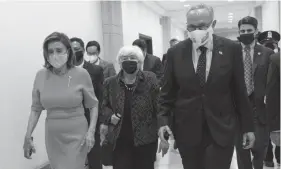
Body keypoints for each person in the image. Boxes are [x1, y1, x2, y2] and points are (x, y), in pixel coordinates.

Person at [157, 4, 255, 169]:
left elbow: (240, 92)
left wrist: (248, 127)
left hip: (221, 128)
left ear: (213, 24)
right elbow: (166, 93)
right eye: (192, 27)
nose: (197, 30)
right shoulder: (175, 52)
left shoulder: (231, 49)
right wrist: (162, 122)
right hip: (187, 130)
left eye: (202, 26)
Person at [23, 32, 99, 169]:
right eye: (50, 51)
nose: (54, 55)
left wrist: (91, 132)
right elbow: (36, 108)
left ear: (68, 52)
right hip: (53, 135)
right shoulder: (41, 76)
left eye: (59, 50)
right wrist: (28, 135)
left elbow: (93, 105)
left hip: (77, 133)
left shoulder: (81, 74)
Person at [99, 45, 159, 169]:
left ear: (140, 61)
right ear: (119, 62)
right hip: (119, 137)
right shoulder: (110, 82)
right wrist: (110, 116)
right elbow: (104, 105)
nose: (128, 60)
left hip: (145, 138)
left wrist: (162, 128)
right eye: (124, 58)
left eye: (133, 57)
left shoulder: (150, 78)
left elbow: (158, 105)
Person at [235, 16, 274, 169]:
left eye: (249, 30)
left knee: (260, 150)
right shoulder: (232, 52)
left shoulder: (267, 53)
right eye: (242, 30)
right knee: (241, 151)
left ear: (256, 31)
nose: (245, 33)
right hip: (238, 110)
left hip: (260, 109)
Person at [70, 37, 104, 169]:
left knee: (94, 157)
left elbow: (100, 96)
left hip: (91, 119)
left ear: (83, 50)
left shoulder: (95, 70)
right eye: (71, 49)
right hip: (71, 119)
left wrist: (101, 122)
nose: (74, 52)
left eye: (77, 49)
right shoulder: (63, 72)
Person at [258, 30, 281, 167]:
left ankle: (279, 157)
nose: (270, 47)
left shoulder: (278, 58)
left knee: (278, 128)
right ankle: (267, 158)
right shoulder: (258, 56)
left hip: (276, 100)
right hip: (261, 100)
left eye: (272, 44)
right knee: (264, 131)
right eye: (267, 44)